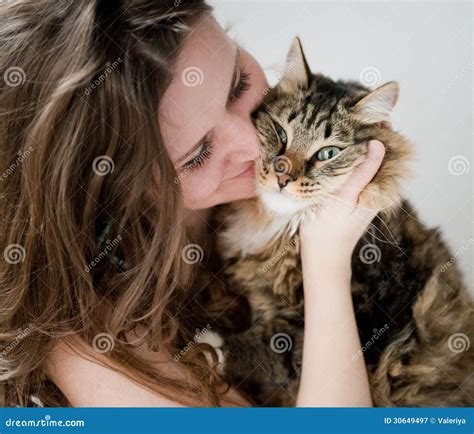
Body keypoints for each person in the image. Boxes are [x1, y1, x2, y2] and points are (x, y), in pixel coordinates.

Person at [0, 0, 384, 407]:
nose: (254, 145)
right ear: (117, 191)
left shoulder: (251, 193)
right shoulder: (85, 332)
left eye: (238, 84)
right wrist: (326, 261)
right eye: (199, 153)